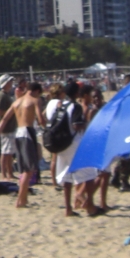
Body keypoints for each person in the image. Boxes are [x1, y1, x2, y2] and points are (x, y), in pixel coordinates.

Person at [0, 81, 45, 208]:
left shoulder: (16, 102)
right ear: (37, 91)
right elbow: (40, 120)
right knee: (29, 169)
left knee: (24, 169)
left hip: (18, 132)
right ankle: (20, 200)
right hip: (28, 132)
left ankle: (23, 199)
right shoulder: (34, 100)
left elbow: (4, 119)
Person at [50, 82, 92, 216]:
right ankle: (90, 205)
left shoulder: (60, 105)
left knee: (66, 177)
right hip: (74, 142)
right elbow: (76, 125)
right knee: (90, 173)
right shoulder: (75, 106)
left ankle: (68, 208)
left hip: (61, 143)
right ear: (76, 93)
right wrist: (85, 123)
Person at [0, 75, 18, 180]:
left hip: (10, 127)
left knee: (9, 152)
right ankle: (4, 174)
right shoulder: (2, 95)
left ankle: (10, 173)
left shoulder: (6, 94)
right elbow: (0, 111)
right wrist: (11, 113)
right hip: (6, 128)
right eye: (10, 81)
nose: (11, 83)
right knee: (5, 152)